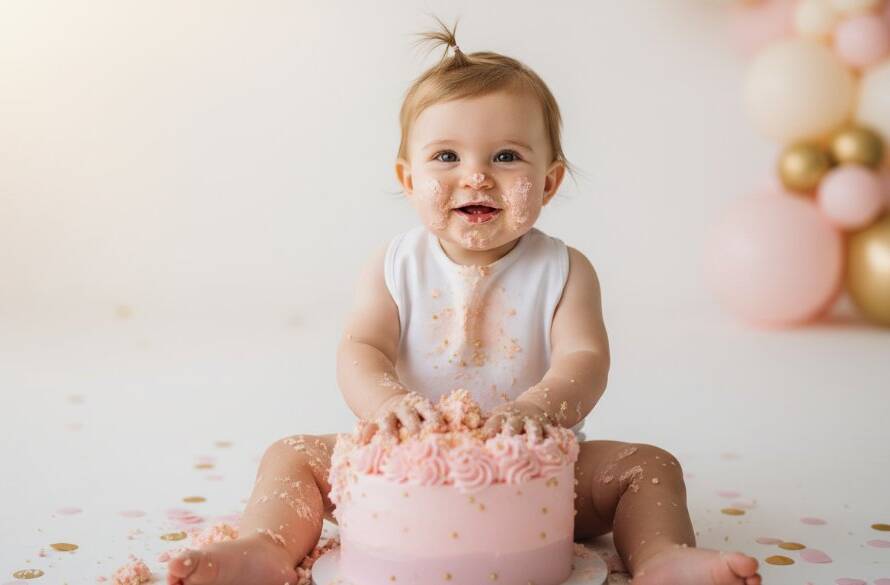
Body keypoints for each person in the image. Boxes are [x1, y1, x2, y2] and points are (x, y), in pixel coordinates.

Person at [167, 20, 762, 585]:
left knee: (649, 465)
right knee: (291, 455)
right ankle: (265, 548)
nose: (475, 177)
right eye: (446, 157)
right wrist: (387, 403)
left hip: (538, 475)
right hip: (402, 469)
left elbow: (585, 359)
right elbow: (362, 347)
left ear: (550, 182)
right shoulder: (394, 265)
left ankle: (660, 557)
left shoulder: (564, 270)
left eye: (506, 157)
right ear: (407, 178)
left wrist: (539, 408)